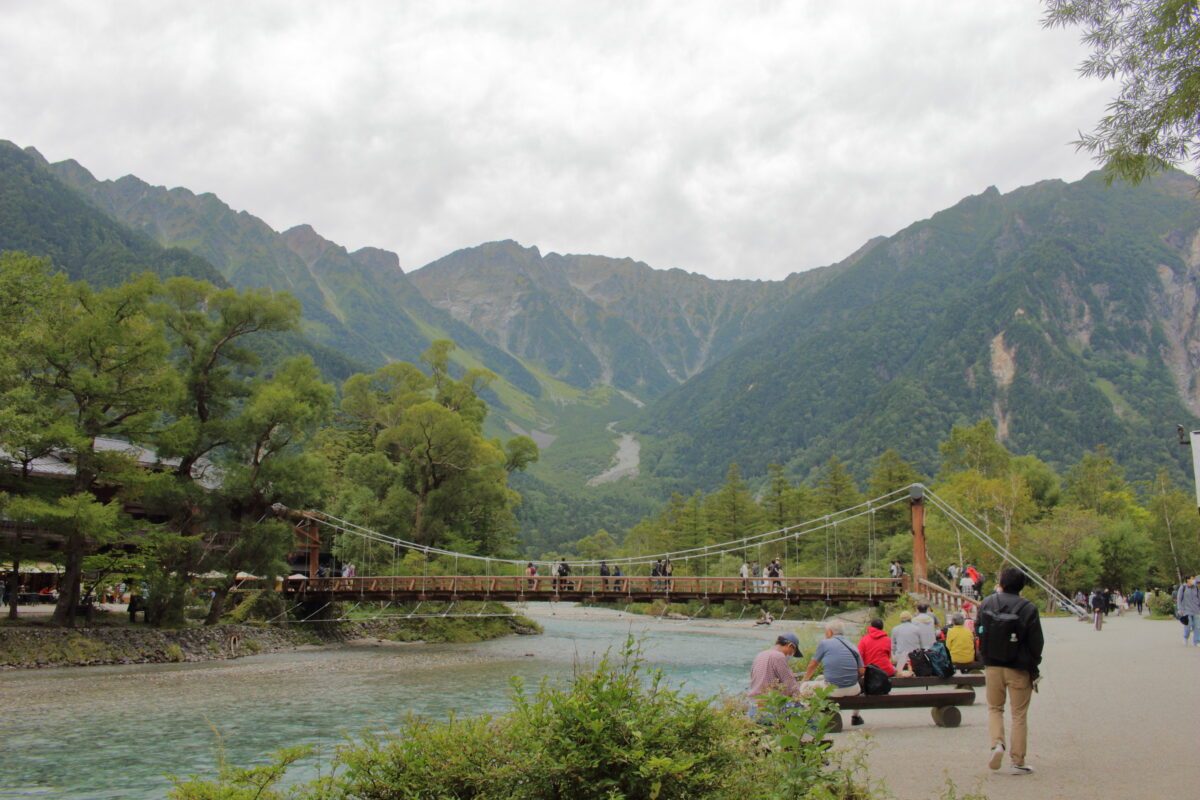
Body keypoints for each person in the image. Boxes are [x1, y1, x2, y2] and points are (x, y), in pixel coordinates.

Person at [978, 566, 1043, 776]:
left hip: (993, 666)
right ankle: (1017, 761)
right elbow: (1036, 642)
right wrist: (1033, 664)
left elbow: (978, 629)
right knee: (1019, 715)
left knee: (995, 708)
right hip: (1019, 668)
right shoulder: (1028, 608)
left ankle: (997, 744)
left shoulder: (988, 602)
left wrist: (984, 657)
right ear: (1021, 585)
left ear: (1002, 582)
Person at [799, 621, 866, 726]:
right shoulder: (852, 646)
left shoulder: (825, 643)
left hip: (833, 691)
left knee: (805, 686)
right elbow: (862, 671)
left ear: (829, 632)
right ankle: (856, 717)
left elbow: (812, 665)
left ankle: (808, 718)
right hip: (853, 689)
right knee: (820, 678)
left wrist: (805, 679)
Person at [747, 632, 805, 717]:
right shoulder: (779, 656)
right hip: (768, 711)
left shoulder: (761, 654)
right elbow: (791, 688)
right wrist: (803, 697)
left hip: (753, 709)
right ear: (790, 645)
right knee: (810, 718)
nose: (790, 655)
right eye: (792, 652)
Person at [1174, 577, 1200, 645]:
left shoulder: (1196, 588)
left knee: (1197, 626)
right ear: (1187, 580)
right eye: (1192, 578)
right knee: (1188, 625)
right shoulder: (1183, 588)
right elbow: (1179, 599)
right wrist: (1179, 608)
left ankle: (1197, 641)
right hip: (1186, 610)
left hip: (1196, 610)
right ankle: (1185, 637)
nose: (1193, 580)